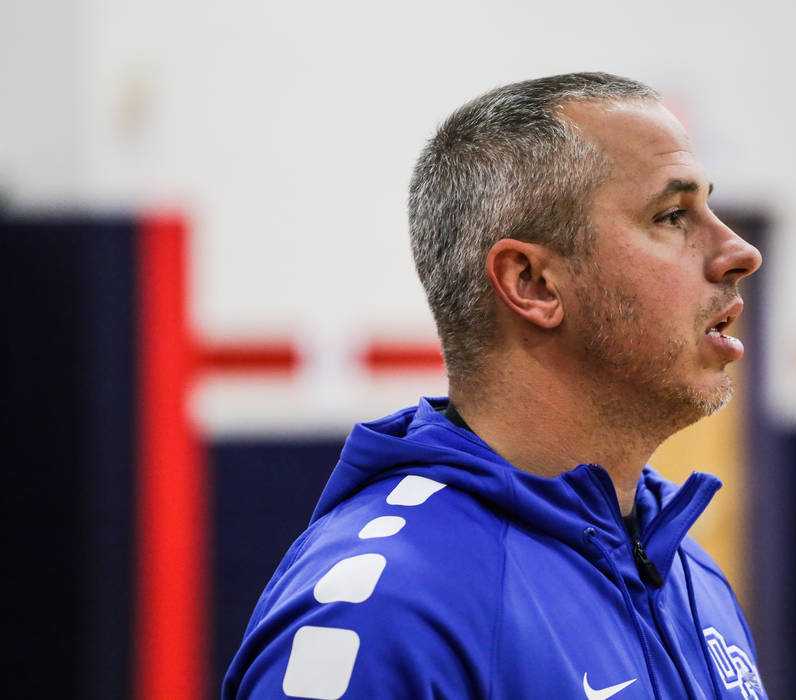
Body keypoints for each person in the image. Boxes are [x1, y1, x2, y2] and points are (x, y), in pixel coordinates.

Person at [223, 72, 765, 700]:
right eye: (672, 215)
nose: (739, 251)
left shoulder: (688, 572)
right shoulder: (382, 613)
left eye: (709, 208)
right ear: (532, 283)